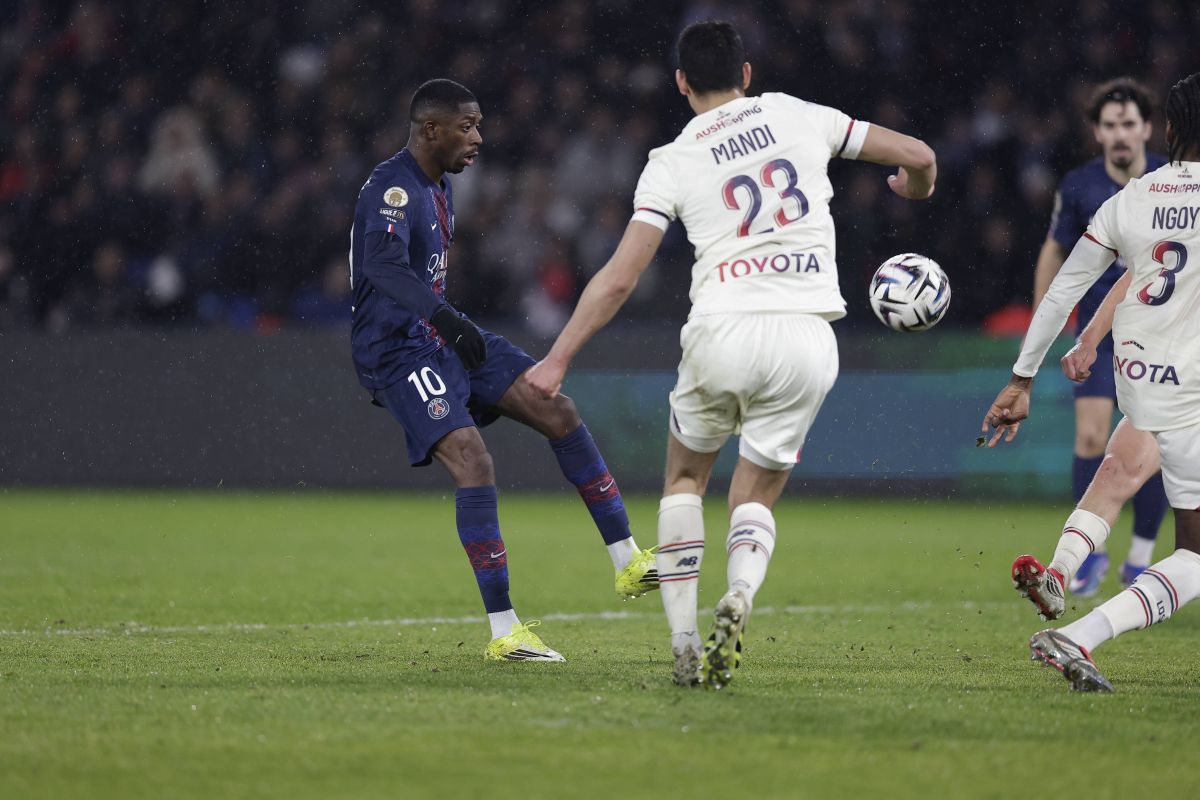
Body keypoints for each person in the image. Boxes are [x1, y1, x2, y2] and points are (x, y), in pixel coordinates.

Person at [526, 21, 937, 688]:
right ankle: (740, 591)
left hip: (723, 328)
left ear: (681, 83)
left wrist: (558, 357)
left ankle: (685, 641)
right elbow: (918, 154)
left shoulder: (672, 159)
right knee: (756, 494)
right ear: (747, 74)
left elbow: (621, 277)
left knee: (685, 480)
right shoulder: (797, 114)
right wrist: (915, 188)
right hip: (807, 334)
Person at [349, 79, 658, 663]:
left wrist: (446, 322)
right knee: (473, 459)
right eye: (467, 127)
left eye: (480, 125)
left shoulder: (438, 185)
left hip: (437, 333)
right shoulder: (393, 188)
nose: (479, 138)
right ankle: (505, 633)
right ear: (431, 129)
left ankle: (628, 561)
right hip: (395, 350)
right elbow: (382, 268)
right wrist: (446, 318)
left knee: (554, 406)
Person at [982, 72, 1200, 691]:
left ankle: (1061, 572)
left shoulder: (1132, 198)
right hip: (1192, 388)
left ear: (1167, 129)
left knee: (1119, 470)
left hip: (1144, 377)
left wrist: (1022, 378)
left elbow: (1064, 290)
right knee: (1194, 556)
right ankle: (1080, 635)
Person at [1030, 79, 1169, 596]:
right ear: (1097, 132)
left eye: (1129, 123)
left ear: (1147, 128)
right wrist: (1044, 321)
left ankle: (1140, 558)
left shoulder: (1170, 181)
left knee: (1151, 445)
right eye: (1110, 125)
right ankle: (1090, 557)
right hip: (1098, 331)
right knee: (1091, 438)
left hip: (1156, 333)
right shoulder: (1079, 187)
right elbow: (1054, 249)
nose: (1120, 134)